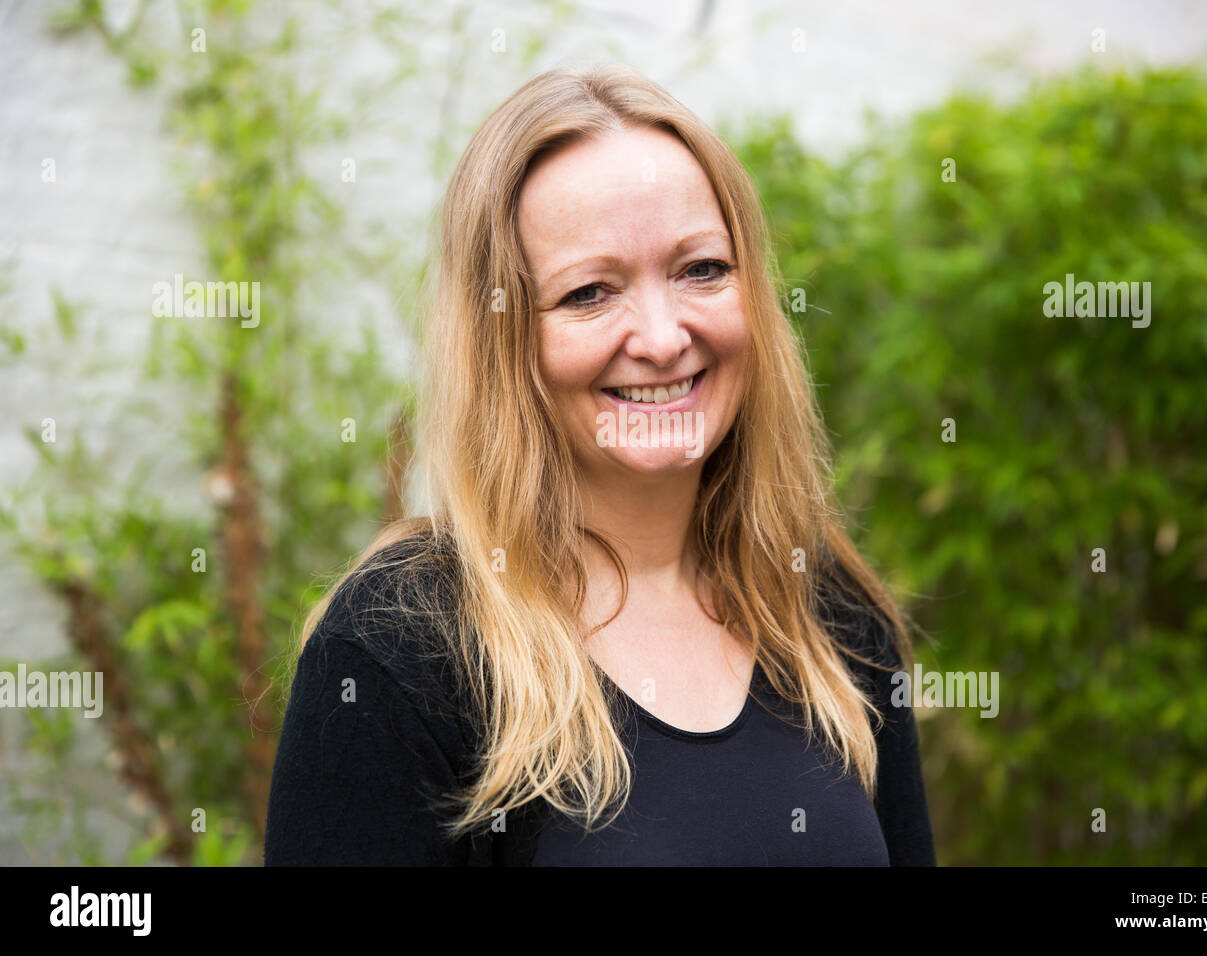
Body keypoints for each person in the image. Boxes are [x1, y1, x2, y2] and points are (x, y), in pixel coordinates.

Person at [264, 62, 936, 866]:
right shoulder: (399, 649)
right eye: (589, 293)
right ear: (503, 340)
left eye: (702, 270)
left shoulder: (827, 612)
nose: (660, 338)